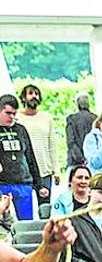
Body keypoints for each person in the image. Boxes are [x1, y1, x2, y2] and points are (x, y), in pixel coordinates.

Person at [16, 84, 57, 215]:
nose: (34, 96)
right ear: (23, 97)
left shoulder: (47, 118)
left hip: (44, 171)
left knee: (45, 209)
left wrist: (56, 170)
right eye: (30, 93)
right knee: (25, 211)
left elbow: (52, 144)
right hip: (24, 171)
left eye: (36, 94)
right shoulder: (16, 118)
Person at [0, 94, 41, 220]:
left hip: (23, 184)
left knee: (26, 224)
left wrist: (38, 184)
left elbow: (30, 156)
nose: (11, 117)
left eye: (14, 113)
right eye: (8, 113)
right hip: (3, 184)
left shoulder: (21, 130)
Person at [66, 93, 96, 168]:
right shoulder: (96, 118)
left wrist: (81, 159)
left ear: (77, 104)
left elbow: (71, 142)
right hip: (92, 162)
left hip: (75, 162)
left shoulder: (71, 119)